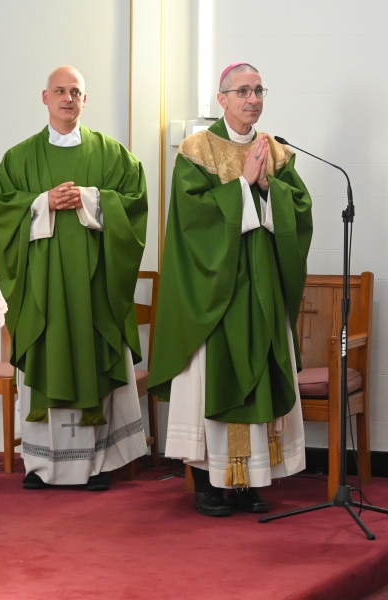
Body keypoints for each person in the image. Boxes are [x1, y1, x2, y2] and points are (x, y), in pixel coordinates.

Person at [148, 63, 313, 516]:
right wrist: (242, 184)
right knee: (208, 379)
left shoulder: (276, 152)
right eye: (243, 90)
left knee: (258, 375)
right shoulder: (196, 149)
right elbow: (192, 218)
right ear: (221, 99)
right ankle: (205, 481)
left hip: (261, 291)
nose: (253, 99)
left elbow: (299, 209)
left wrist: (266, 186)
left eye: (259, 90)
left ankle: (251, 480)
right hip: (215, 292)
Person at [0, 66, 148, 491]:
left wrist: (91, 199)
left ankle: (98, 464)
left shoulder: (112, 154)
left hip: (94, 289)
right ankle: (41, 465)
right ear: (45, 98)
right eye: (59, 91)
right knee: (50, 352)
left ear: (85, 100)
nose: (67, 98)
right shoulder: (19, 158)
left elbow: (134, 206)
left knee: (92, 356)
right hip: (43, 289)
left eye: (75, 91)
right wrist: (43, 201)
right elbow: (5, 213)